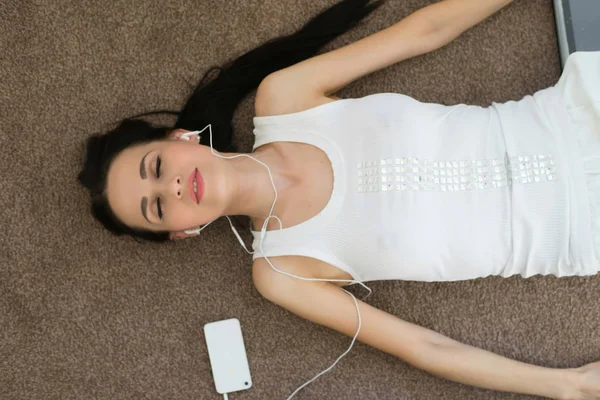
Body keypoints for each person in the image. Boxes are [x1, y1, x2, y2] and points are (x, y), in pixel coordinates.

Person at [78, 0, 600, 398]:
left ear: (181, 139)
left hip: (574, 117)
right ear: (183, 231)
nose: (169, 187)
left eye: (156, 168)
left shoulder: (282, 98)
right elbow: (422, 347)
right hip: (584, 230)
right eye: (156, 206)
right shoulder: (282, 271)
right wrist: (568, 385)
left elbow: (425, 32)